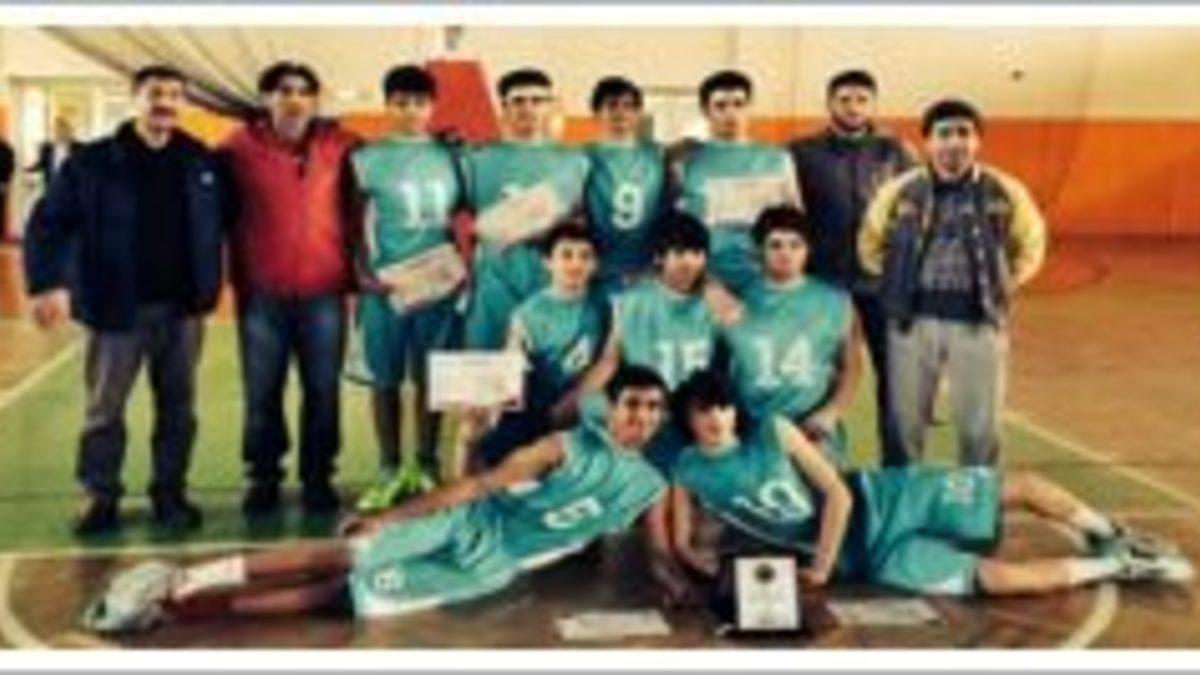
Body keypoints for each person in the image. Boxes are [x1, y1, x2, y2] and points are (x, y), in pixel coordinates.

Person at [81, 365, 672, 634]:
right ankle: (189, 578)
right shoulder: (564, 446)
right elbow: (473, 487)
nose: (641, 417)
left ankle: (179, 611)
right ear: (611, 407)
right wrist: (386, 517)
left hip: (492, 565)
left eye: (652, 408)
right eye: (632, 404)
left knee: (338, 596)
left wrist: (681, 582)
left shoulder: (650, 484)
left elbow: (656, 546)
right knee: (344, 555)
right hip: (469, 523)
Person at [665, 370, 1193, 598]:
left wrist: (821, 567)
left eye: (722, 407)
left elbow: (838, 495)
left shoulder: (773, 431)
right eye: (703, 411)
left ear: (735, 409)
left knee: (1024, 487)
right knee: (998, 581)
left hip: (888, 497)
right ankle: (1119, 565)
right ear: (687, 419)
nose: (715, 419)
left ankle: (1113, 532)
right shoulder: (687, 468)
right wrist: (703, 566)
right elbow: (685, 541)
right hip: (877, 559)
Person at [23, 65, 224, 535]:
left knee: (178, 408)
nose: (165, 102)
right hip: (116, 306)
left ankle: (169, 492)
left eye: (174, 94)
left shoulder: (201, 161)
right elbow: (48, 223)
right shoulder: (92, 162)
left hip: (183, 307)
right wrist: (48, 283)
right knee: (104, 409)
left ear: (183, 103)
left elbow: (228, 218)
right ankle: (100, 494)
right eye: (155, 93)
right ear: (135, 98)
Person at [859, 99, 1048, 466]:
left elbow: (1031, 245)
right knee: (904, 423)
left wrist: (1002, 283)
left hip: (979, 322)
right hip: (912, 323)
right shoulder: (900, 191)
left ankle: (977, 495)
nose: (955, 142)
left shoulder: (1004, 190)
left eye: (964, 133)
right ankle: (906, 494)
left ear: (978, 141)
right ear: (928, 142)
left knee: (980, 426)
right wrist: (898, 280)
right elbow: (870, 242)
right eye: (944, 133)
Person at [221, 61, 361, 516]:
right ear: (267, 99)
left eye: (303, 91)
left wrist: (446, 142)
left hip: (325, 294)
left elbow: (396, 163)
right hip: (262, 295)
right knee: (263, 392)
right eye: (283, 91)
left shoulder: (342, 145)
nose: (294, 99)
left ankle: (318, 477)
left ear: (315, 100)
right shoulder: (237, 148)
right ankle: (263, 477)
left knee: (322, 391)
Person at [346, 64, 467, 512]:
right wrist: (361, 271)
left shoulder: (451, 155)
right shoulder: (366, 157)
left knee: (431, 377)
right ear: (387, 105)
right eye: (400, 102)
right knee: (385, 379)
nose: (410, 111)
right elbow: (351, 222)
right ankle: (388, 467)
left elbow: (467, 211)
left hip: (437, 283)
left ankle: (426, 463)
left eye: (419, 102)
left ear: (432, 106)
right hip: (387, 285)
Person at [787, 69, 916, 466]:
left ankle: (898, 467)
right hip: (822, 282)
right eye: (844, 99)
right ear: (830, 103)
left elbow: (917, 211)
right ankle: (817, 460)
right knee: (816, 374)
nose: (853, 107)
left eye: (862, 99)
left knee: (896, 377)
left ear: (873, 105)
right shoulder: (800, 152)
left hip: (881, 284)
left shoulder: (896, 152)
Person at [721, 205, 864, 467]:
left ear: (808, 249)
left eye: (795, 245)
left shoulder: (835, 301)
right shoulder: (736, 301)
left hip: (811, 428)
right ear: (759, 250)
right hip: (751, 428)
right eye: (775, 245)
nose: (785, 253)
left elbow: (852, 367)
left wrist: (830, 414)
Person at [462, 68, 590, 351]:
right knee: (489, 372)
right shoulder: (477, 159)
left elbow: (582, 222)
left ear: (550, 105)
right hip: (495, 287)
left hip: (552, 286)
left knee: (549, 372)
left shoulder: (574, 161)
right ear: (504, 107)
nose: (528, 108)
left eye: (537, 100)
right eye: (518, 101)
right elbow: (468, 219)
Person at [467, 220, 611, 469]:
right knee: (489, 440)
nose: (576, 264)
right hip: (540, 408)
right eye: (566, 255)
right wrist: (493, 413)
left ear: (595, 264)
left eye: (585, 256)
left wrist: (577, 400)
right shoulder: (528, 314)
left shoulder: (603, 304)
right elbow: (512, 368)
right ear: (547, 262)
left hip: (582, 401)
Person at [673, 69, 802, 295]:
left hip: (767, 280)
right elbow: (680, 231)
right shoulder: (687, 162)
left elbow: (796, 222)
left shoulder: (778, 158)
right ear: (705, 111)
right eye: (721, 106)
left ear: (749, 107)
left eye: (739, 104)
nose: (731, 113)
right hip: (708, 281)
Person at [583, 76, 667, 294]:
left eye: (628, 106)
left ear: (638, 114)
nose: (620, 113)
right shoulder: (583, 156)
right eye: (611, 105)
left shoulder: (658, 155)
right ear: (596, 113)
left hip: (646, 270)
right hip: (597, 271)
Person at [28, 115, 83, 187]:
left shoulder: (79, 147)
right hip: (51, 184)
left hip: (71, 185)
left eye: (61, 129)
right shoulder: (46, 147)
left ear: (68, 131)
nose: (58, 132)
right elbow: (42, 163)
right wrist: (29, 169)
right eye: (56, 130)